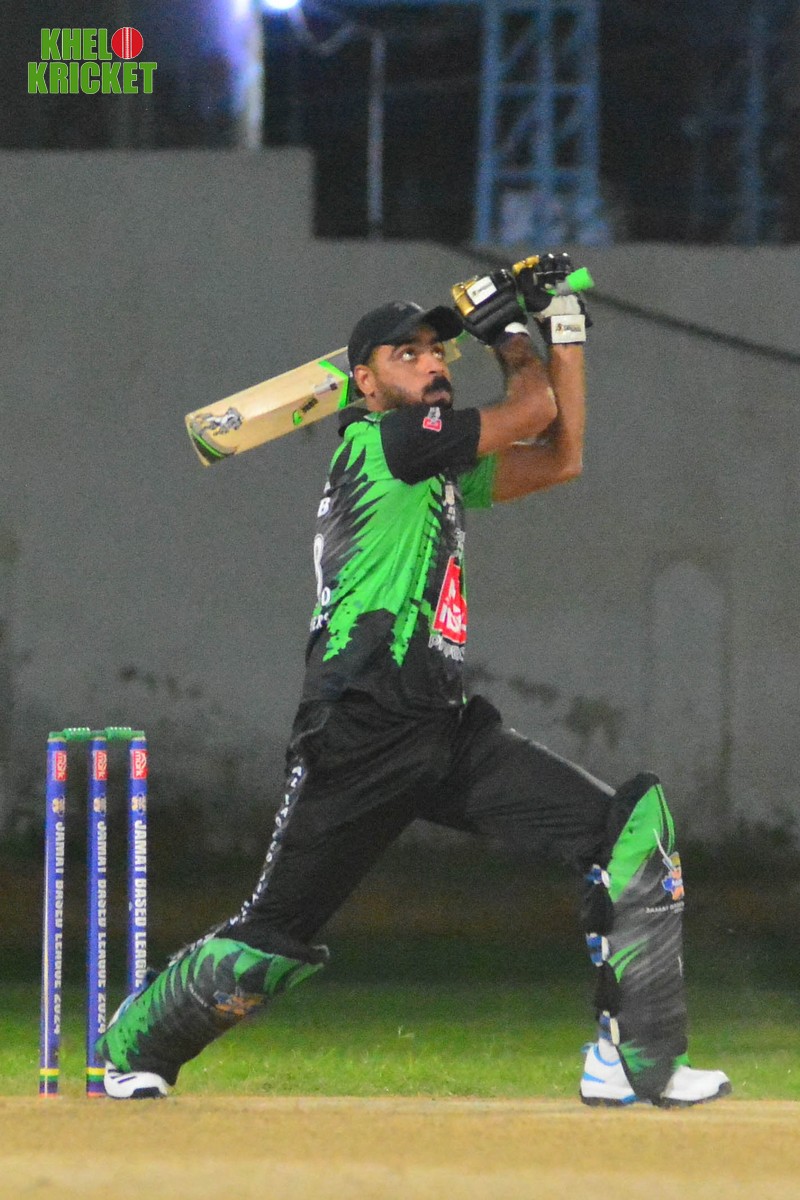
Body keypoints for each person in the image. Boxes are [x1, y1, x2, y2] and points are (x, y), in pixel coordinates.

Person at [98, 253, 730, 1107]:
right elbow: (532, 408)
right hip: (358, 727)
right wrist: (508, 333)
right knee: (274, 934)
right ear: (362, 383)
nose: (432, 362)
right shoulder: (384, 442)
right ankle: (132, 1047)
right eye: (408, 354)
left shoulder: (436, 466)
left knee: (628, 832)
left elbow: (561, 455)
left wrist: (565, 332)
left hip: (443, 727)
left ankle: (635, 1059)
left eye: (438, 349)